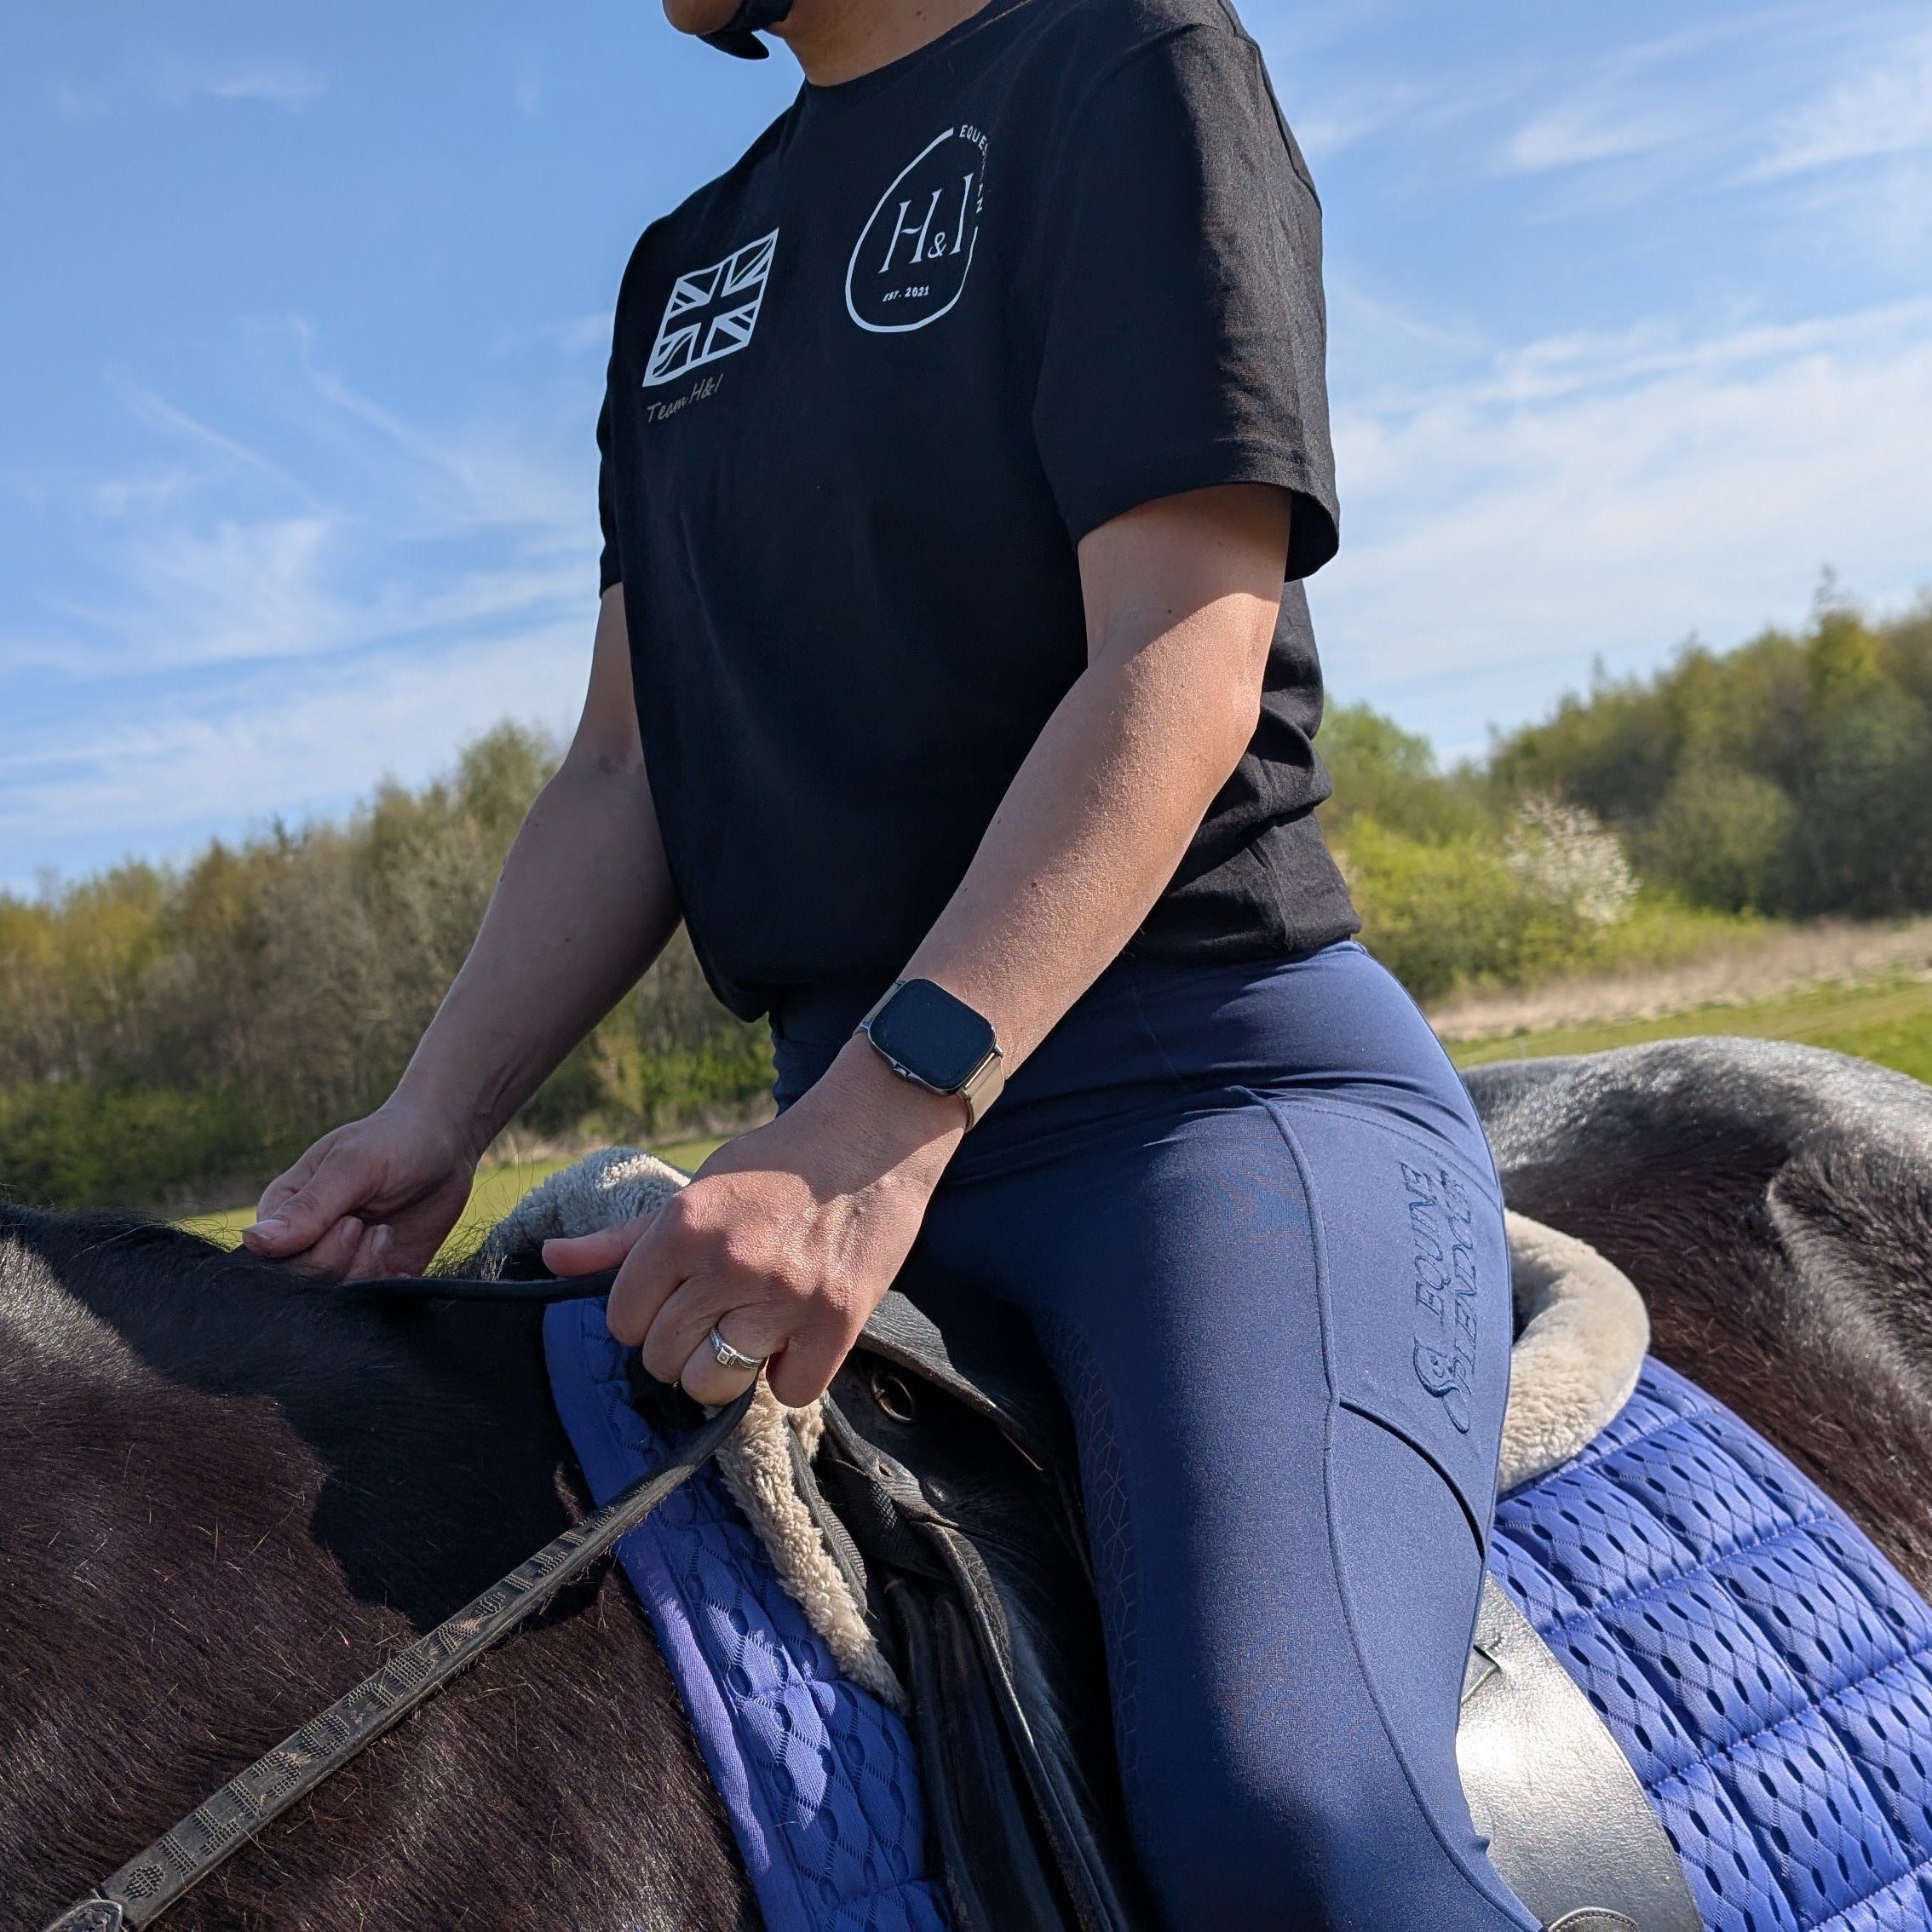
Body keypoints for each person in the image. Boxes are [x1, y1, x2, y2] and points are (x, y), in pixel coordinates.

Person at [244, 0, 1539, 1921]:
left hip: (1201, 1102)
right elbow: (625, 766)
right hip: (849, 1126)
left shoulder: (1129, 64)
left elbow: (1177, 658)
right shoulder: (684, 271)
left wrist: (878, 1124)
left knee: (1288, 1811)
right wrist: (435, 1116)